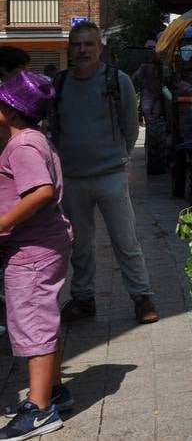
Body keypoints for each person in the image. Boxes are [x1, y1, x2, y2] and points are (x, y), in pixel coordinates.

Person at [50, 22, 157, 325]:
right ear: (69, 49)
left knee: (125, 239)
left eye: (88, 44)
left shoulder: (116, 80)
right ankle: (83, 298)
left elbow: (130, 126)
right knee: (80, 244)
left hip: (110, 176)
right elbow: (55, 129)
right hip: (72, 179)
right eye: (77, 45)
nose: (82, 50)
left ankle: (142, 297)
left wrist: (117, 158)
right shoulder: (58, 85)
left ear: (100, 48)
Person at [0, 72, 73, 439]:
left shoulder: (21, 145)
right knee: (44, 317)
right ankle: (54, 389)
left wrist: (1, 224)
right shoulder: (34, 138)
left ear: (10, 112)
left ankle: (40, 409)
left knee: (33, 324)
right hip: (45, 245)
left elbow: (41, 191)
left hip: (31, 251)